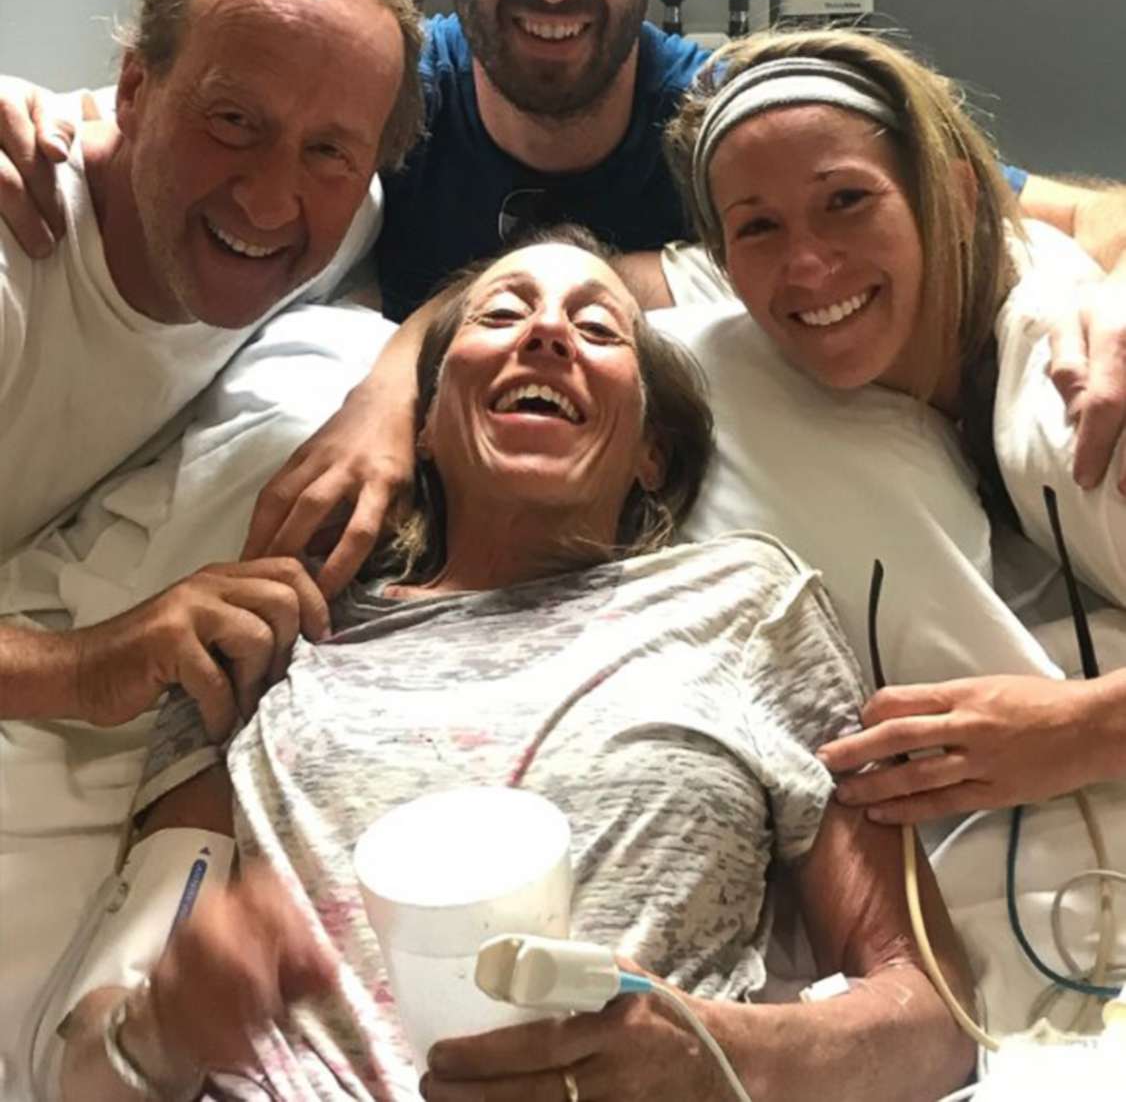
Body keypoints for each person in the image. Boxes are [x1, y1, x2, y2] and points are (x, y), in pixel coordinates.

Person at [3, 0, 1124, 585]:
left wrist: (1114, 302)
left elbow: (1072, 219)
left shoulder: (745, 129)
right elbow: (149, 122)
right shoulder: (372, 102)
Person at [54, 231, 975, 1102]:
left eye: (599, 327)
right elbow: (87, 1068)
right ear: (423, 429)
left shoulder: (743, 606)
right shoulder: (264, 640)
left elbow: (934, 1016)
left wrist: (715, 1061)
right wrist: (163, 1028)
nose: (545, 333)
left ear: (653, 450)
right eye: (501, 316)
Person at [0, 0, 423, 732]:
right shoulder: (19, 254)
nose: (271, 200)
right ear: (134, 89)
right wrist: (89, 666)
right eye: (233, 121)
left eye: (328, 150)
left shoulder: (348, 219)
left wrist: (391, 390)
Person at [656, 25, 1126, 820]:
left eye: (846, 200)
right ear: (722, 264)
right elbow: (576, 279)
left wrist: (1083, 729)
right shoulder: (764, 360)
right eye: (759, 227)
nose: (807, 264)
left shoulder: (1082, 374)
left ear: (952, 196)